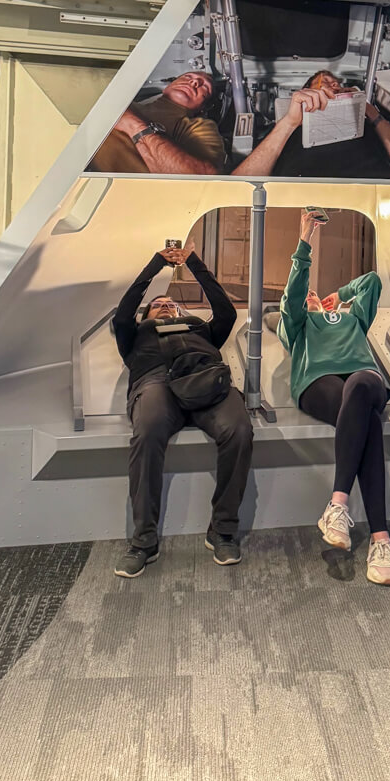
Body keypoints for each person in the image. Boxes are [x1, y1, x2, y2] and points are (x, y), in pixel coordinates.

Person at [113, 241, 253, 578]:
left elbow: (226, 311)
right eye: (157, 305)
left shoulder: (199, 328)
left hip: (205, 379)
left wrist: (194, 264)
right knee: (146, 433)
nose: (165, 305)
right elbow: (124, 311)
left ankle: (222, 530)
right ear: (145, 316)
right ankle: (144, 540)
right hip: (157, 383)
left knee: (240, 431)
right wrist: (155, 265)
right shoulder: (136, 334)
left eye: (170, 304)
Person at [277, 209, 390, 585]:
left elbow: (373, 282)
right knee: (370, 425)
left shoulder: (352, 318)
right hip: (318, 381)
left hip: (363, 379)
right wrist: (304, 243)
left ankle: (338, 504)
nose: (311, 297)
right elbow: (293, 293)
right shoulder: (298, 325)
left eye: (316, 296)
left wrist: (339, 296)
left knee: (361, 386)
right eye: (308, 297)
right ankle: (381, 540)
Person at [233, 71, 390, 179]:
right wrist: (289, 123)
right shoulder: (288, 129)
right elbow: (241, 183)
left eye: (337, 84)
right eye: (325, 82)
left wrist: (370, 112)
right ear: (306, 91)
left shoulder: (372, 128)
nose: (335, 85)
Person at [89, 71, 225, 174]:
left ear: (203, 108)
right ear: (167, 86)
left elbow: (205, 177)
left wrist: (134, 126)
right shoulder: (128, 104)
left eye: (204, 87)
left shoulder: (197, 126)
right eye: (187, 77)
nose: (194, 83)